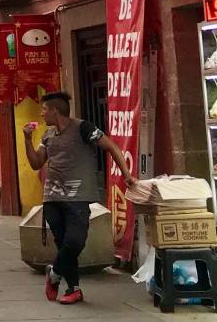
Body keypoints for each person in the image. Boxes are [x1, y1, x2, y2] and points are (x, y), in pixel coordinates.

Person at [23, 91, 136, 305]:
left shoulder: (84, 129)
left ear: (55, 110)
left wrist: (127, 175)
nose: (42, 113)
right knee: (64, 244)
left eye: (45, 109)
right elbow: (36, 163)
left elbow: (111, 146)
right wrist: (27, 140)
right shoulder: (48, 135)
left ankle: (55, 274)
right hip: (52, 198)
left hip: (78, 198)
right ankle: (74, 289)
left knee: (75, 242)